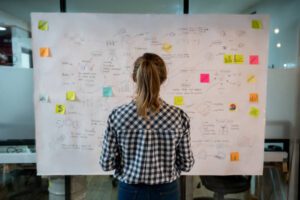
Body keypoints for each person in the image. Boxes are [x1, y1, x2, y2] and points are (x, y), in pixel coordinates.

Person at [100, 53, 194, 200]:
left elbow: (106, 163)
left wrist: (128, 164)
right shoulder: (178, 116)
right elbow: (187, 164)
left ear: (134, 78)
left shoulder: (117, 115)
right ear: (163, 79)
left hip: (130, 191)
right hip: (167, 191)